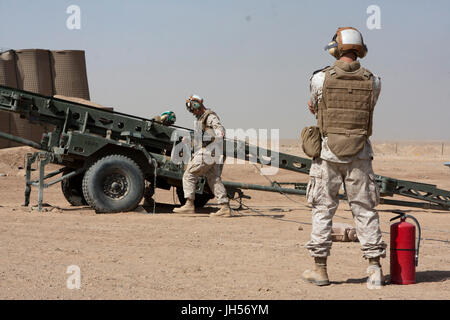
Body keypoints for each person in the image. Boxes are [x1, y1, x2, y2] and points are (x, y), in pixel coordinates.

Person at [302, 27, 387, 287]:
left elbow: (315, 106)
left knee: (322, 209)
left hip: (328, 153)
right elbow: (369, 108)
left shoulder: (319, 78)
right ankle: (374, 270)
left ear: (337, 48)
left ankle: (320, 269)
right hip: (360, 153)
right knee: (365, 210)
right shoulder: (374, 80)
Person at [173, 95, 233, 217]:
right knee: (214, 179)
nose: (192, 112)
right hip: (213, 152)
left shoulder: (209, 117)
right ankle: (225, 207)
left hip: (208, 151)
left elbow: (220, 130)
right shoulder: (200, 119)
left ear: (197, 105)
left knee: (189, 174)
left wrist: (215, 136)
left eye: (193, 108)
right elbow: (199, 139)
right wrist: (188, 140)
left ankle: (189, 204)